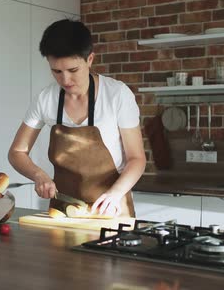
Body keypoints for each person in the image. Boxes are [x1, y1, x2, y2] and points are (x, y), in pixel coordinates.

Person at [8, 19, 145, 217]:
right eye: (56, 71)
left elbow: (137, 158)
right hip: (63, 211)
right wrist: (38, 175)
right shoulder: (46, 99)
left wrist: (115, 194)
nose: (65, 80)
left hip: (111, 207)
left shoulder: (117, 94)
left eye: (73, 70)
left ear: (89, 59)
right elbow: (17, 152)